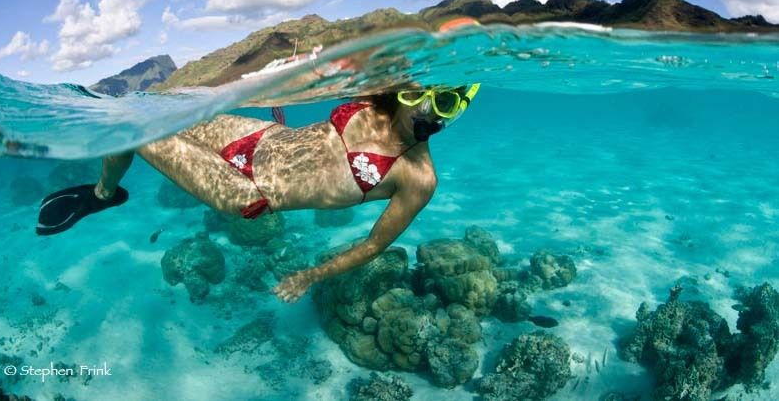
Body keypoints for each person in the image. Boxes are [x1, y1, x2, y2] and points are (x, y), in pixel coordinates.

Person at [36, 84, 480, 302]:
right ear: (407, 91)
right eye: (424, 96)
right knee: (149, 109)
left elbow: (373, 245)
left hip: (248, 190)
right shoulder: (375, 95)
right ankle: (104, 193)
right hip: (257, 136)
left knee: (132, 127)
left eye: (448, 104)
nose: (431, 113)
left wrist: (309, 276)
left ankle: (101, 194)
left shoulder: (418, 177)